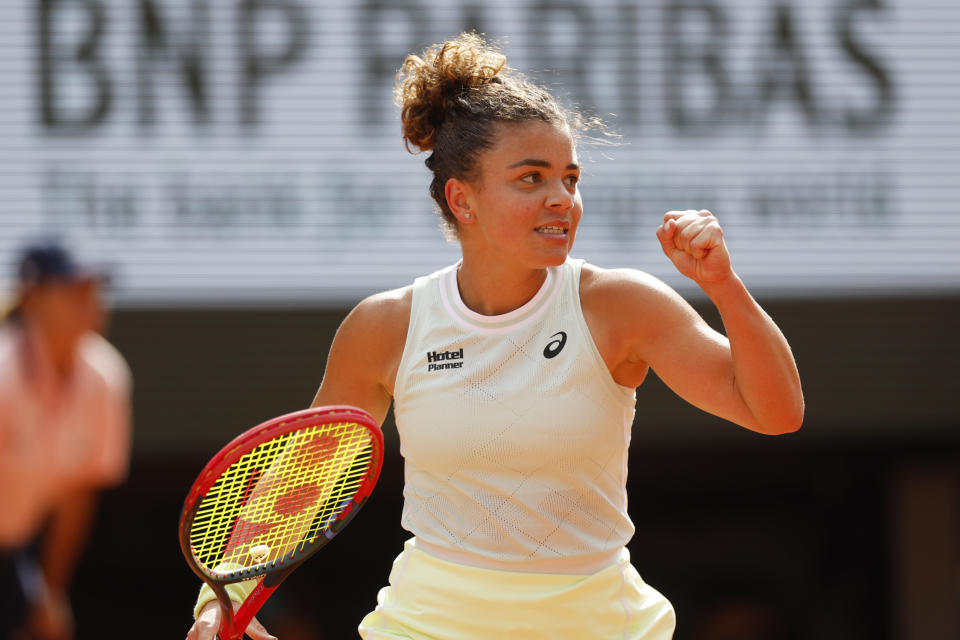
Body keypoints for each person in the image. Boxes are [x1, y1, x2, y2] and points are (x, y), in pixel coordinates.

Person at [188, 33, 803, 639]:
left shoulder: (621, 306)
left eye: (570, 177)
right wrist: (221, 601)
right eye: (531, 179)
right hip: (426, 627)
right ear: (463, 199)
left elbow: (774, 412)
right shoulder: (386, 326)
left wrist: (723, 285)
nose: (561, 198)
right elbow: (301, 479)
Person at [0, 242, 132, 640]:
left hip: (15, 545)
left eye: (93, 288)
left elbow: (77, 492)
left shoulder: (105, 377)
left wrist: (51, 591)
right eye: (72, 289)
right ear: (31, 298)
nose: (89, 300)